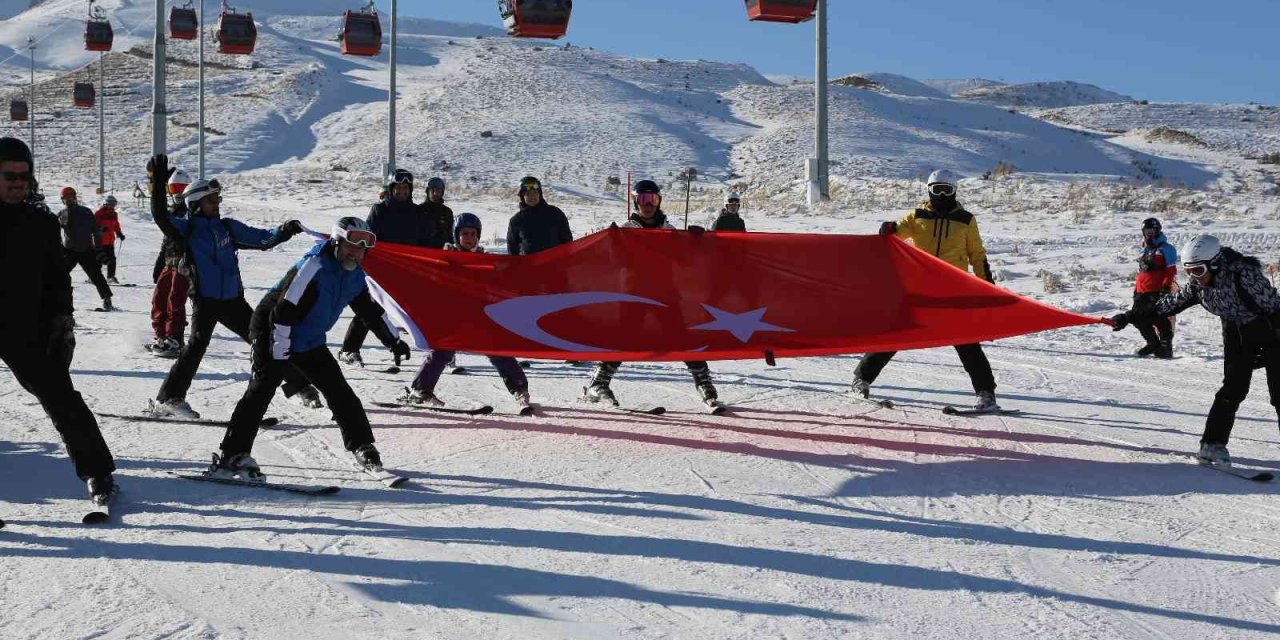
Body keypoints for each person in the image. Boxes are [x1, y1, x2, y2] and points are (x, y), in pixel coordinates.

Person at [209, 217, 412, 480]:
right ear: (336, 243)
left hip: (309, 337)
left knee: (340, 393)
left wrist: (392, 340)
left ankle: (363, 447)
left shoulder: (354, 274)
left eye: (361, 249)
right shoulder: (313, 267)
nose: (356, 253)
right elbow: (282, 312)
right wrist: (280, 352)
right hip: (272, 330)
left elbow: (369, 310)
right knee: (261, 389)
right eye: (351, 246)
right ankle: (232, 455)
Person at [144, 154, 321, 418]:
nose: (217, 204)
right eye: (210, 200)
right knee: (195, 347)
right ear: (194, 204)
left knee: (266, 340)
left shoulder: (227, 228)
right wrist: (158, 184)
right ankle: (168, 398)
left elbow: (262, 239)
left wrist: (284, 230)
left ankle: (298, 386)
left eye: (218, 199)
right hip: (205, 300)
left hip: (233, 300)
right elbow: (160, 216)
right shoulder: (187, 230)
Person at [0, 137, 117, 504]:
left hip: (24, 327)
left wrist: (62, 320)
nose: (18, 182)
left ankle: (98, 472)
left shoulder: (40, 222)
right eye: (9, 175)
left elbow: (57, 278)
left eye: (24, 175)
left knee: (61, 397)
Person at [1109, 234, 1280, 466]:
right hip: (1236, 333)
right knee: (1233, 389)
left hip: (1271, 331)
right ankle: (1212, 445)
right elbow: (1165, 306)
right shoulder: (1199, 287)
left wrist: (1267, 347)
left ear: (1215, 263)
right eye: (1188, 271)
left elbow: (1274, 307)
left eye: (1198, 270)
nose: (1194, 277)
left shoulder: (1244, 276)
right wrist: (1129, 317)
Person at [852, 169, 1001, 412]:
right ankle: (861, 378)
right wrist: (888, 228)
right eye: (937, 190)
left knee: (966, 341)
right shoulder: (918, 216)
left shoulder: (965, 219)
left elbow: (977, 255)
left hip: (953, 290)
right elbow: (897, 233)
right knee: (898, 334)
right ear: (929, 190)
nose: (942, 195)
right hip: (920, 289)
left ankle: (986, 393)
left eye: (947, 190)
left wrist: (988, 287)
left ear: (954, 191)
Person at [583, 180, 721, 409]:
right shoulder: (627, 229)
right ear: (636, 202)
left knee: (682, 337)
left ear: (659, 202)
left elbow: (683, 259)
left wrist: (694, 240)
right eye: (643, 200)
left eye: (653, 199)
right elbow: (615, 262)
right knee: (625, 339)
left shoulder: (667, 229)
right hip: (634, 294)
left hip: (665, 293)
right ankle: (599, 383)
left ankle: (704, 384)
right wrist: (614, 243)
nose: (648, 205)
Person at [400, 213, 531, 409]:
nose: (469, 238)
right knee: (442, 352)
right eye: (464, 234)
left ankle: (520, 389)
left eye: (472, 233)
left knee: (498, 350)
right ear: (456, 236)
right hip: (453, 316)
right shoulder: (445, 259)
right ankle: (420, 391)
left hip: (479, 315)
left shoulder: (484, 259)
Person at [337, 169, 433, 367]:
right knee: (371, 309)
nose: (402, 191)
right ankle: (349, 349)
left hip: (408, 270)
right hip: (382, 269)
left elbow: (425, 242)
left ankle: (435, 353)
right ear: (391, 189)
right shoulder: (380, 210)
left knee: (420, 310)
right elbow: (368, 238)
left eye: (406, 188)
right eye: (398, 188)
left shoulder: (417, 213)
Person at [148, 168, 193, 357]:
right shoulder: (172, 212)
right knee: (159, 298)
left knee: (175, 300)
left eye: (181, 188)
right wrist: (160, 261)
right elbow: (167, 240)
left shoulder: (191, 212)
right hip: (169, 261)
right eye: (173, 188)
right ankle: (161, 335)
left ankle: (174, 337)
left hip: (183, 263)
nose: (177, 193)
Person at [56, 186, 113, 311]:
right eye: (67, 198)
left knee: (61, 275)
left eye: (68, 198)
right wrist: (98, 249)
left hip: (75, 250)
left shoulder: (64, 213)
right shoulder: (85, 211)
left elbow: (96, 231)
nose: (68, 200)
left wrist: (98, 249)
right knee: (94, 275)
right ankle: (107, 299)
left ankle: (107, 299)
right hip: (78, 249)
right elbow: (96, 231)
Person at [1127, 217, 1177, 358]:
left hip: (1157, 290)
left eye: (1152, 230)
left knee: (1159, 318)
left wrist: (1166, 288)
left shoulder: (1166, 249)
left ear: (1158, 230)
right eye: (1147, 230)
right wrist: (1137, 289)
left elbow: (1171, 270)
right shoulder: (1144, 248)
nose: (1150, 233)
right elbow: (1142, 272)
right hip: (1141, 290)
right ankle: (1153, 343)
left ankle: (1166, 347)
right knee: (1137, 318)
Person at [506, 176, 572, 257]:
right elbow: (512, 250)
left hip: (555, 265)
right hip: (529, 267)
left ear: (540, 194)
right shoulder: (516, 221)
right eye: (528, 194)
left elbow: (567, 241)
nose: (532, 197)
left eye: (535, 193)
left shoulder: (555, 213)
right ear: (522, 196)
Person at [93, 194, 125, 284]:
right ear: (106, 204)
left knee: (112, 260)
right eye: (111, 204)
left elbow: (116, 225)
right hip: (100, 241)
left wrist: (119, 233)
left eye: (114, 204)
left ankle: (110, 277)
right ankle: (94, 277)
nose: (113, 206)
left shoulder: (114, 214)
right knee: (99, 260)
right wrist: (101, 229)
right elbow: (94, 226)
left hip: (110, 241)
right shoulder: (99, 214)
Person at [422, 176, 454, 250]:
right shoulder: (419, 210)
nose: (435, 193)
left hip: (442, 253)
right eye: (432, 190)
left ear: (442, 192)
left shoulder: (447, 212)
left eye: (438, 191)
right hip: (423, 253)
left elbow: (451, 236)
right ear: (427, 191)